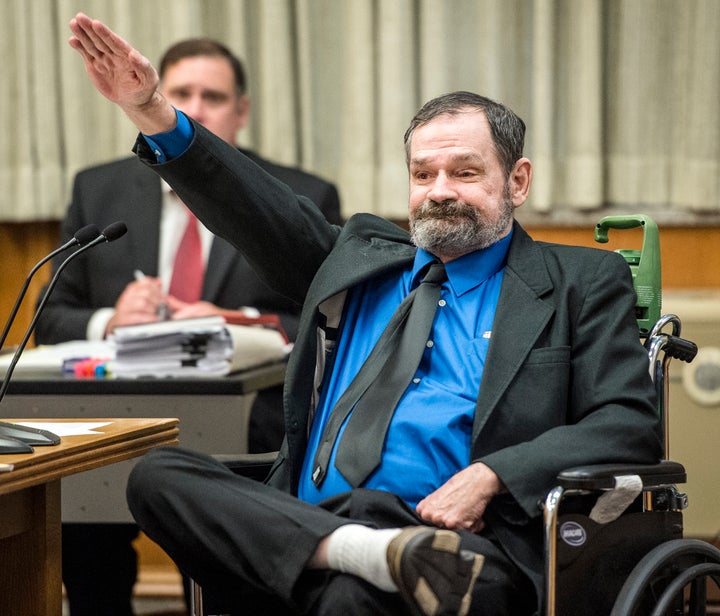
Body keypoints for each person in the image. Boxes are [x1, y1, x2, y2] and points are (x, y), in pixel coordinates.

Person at [68, 13, 663, 616]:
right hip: (319, 519)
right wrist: (151, 110)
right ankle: (359, 551)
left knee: (352, 597)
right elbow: (252, 204)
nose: (439, 190)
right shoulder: (361, 262)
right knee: (156, 475)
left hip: (466, 546)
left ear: (517, 181)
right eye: (423, 173)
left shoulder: (579, 281)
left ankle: (366, 558)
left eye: (465, 172)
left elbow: (627, 422)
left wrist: (493, 476)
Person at [38, 34, 341, 616]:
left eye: (213, 96)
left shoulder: (300, 194)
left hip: (243, 413)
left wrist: (235, 320)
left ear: (242, 111)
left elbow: (327, 317)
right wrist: (108, 319)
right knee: (75, 513)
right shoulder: (98, 190)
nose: (196, 109)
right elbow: (51, 315)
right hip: (111, 412)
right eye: (181, 93)